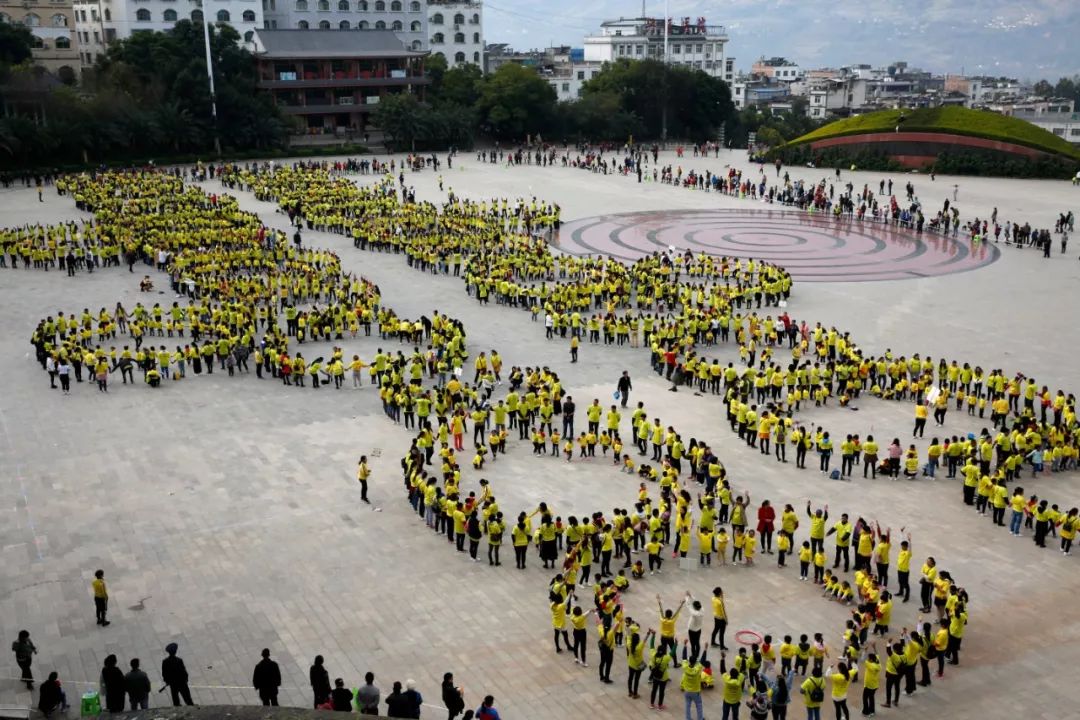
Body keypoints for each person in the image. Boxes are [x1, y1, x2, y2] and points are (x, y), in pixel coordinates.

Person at [681, 652, 705, 720]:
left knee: (687, 705)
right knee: (699, 705)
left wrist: (685, 646)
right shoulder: (697, 669)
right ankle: (700, 718)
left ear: (689, 661)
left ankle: (688, 718)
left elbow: (684, 657)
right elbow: (702, 661)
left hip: (687, 690)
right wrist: (705, 650)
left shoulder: (685, 667)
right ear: (695, 662)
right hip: (695, 691)